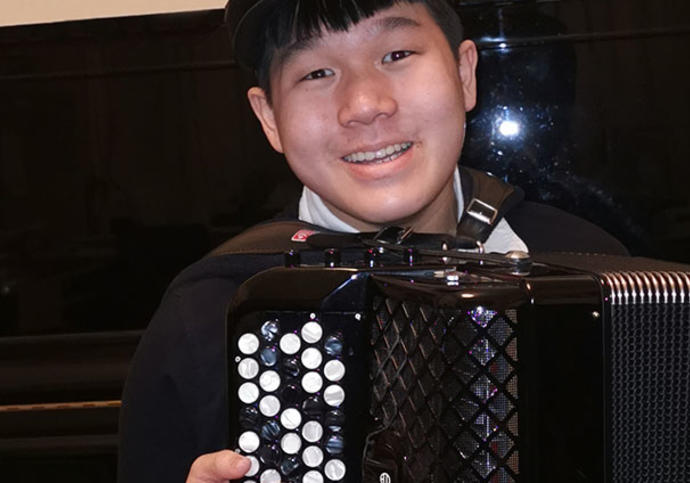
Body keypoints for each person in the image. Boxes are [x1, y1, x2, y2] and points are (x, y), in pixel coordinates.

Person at [117, 1, 627, 481]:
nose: (363, 104)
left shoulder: (592, 268)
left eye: (397, 54)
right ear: (269, 118)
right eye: (317, 73)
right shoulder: (203, 317)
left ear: (465, 73)